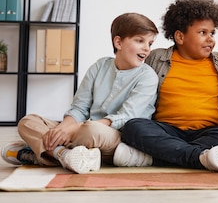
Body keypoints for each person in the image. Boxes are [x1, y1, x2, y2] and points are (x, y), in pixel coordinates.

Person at [1, 13, 159, 174]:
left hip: (113, 136)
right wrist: (62, 129)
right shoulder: (100, 66)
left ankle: (41, 152)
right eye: (140, 41)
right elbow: (79, 107)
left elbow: (127, 117)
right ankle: (64, 155)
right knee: (27, 122)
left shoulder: (148, 77)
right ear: (118, 42)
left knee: (91, 129)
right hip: (82, 131)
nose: (147, 48)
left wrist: (73, 130)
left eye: (150, 43)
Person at [114, 0, 218, 172]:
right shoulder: (156, 57)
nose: (210, 39)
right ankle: (199, 157)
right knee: (134, 127)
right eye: (203, 33)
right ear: (180, 37)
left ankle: (161, 155)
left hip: (207, 132)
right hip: (166, 129)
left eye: (212, 33)